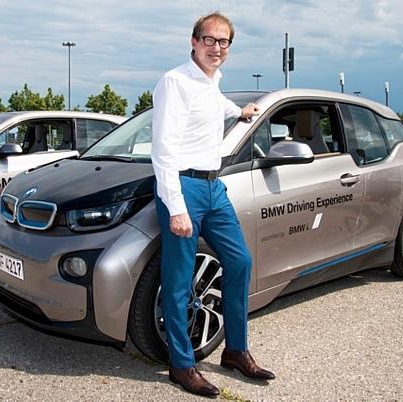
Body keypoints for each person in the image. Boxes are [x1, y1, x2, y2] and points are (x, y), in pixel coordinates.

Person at [151, 12, 275, 398]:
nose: (217, 48)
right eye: (210, 40)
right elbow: (163, 151)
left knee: (239, 262)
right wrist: (176, 208)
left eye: (224, 42)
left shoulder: (211, 83)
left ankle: (235, 351)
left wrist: (242, 112)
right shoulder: (175, 82)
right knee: (177, 281)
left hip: (212, 188)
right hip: (183, 187)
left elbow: (219, 107)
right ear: (193, 41)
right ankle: (181, 365)